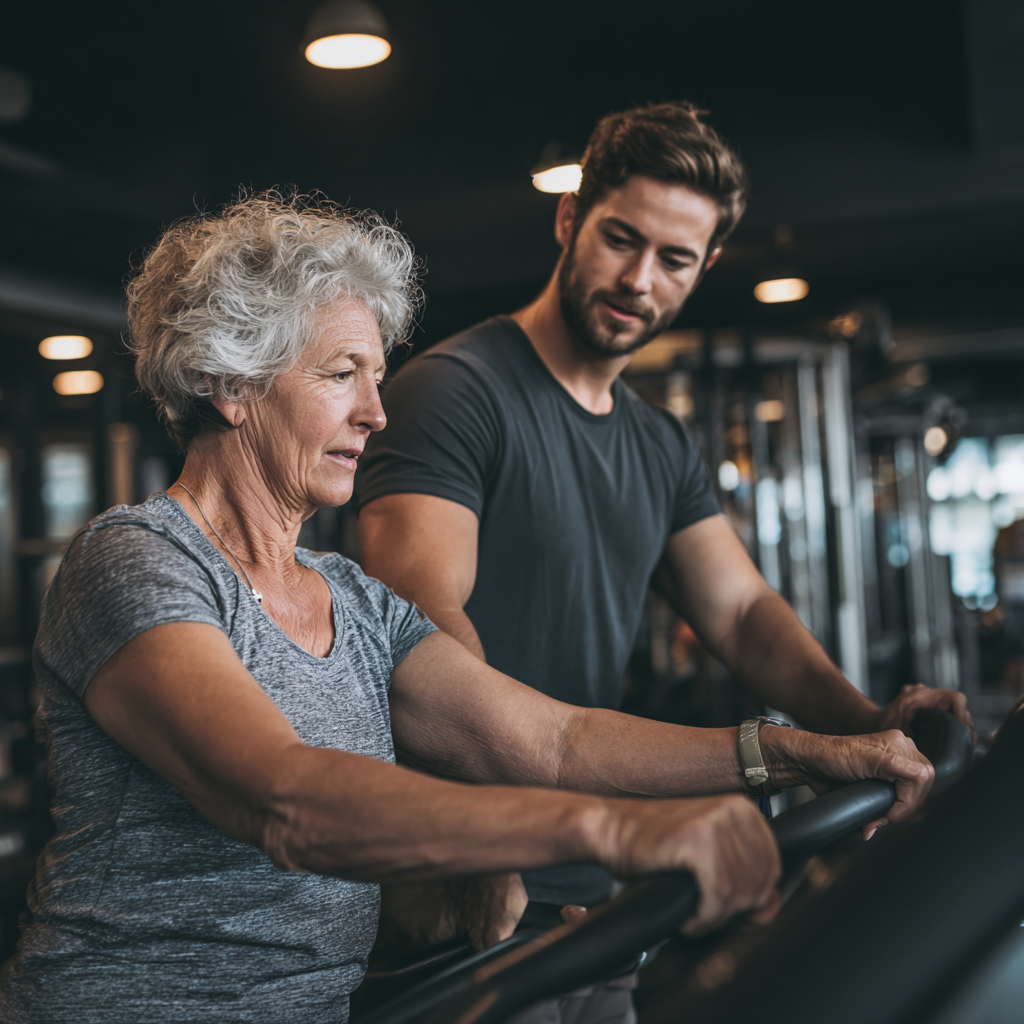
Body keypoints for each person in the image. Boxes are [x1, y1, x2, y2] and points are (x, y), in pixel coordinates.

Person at [0, 195, 935, 1024]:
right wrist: (605, 829)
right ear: (231, 383)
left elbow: (554, 741)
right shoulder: (136, 560)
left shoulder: (355, 601)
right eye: (341, 375)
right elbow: (279, 796)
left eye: (378, 376)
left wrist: (791, 753)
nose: (376, 411)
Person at [356, 103, 975, 1019]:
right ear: (570, 220)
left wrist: (868, 724)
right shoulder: (455, 393)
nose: (639, 279)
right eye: (620, 239)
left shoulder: (657, 442)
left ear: (705, 267)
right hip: (466, 891)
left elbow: (740, 614)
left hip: (599, 887)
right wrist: (493, 843)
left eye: (673, 260)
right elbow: (420, 632)